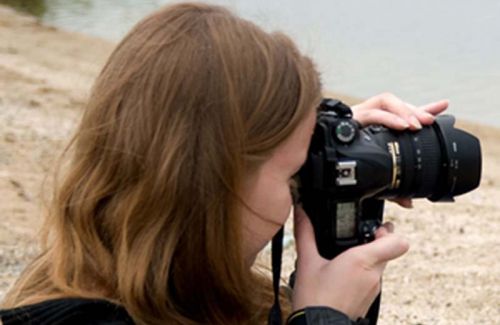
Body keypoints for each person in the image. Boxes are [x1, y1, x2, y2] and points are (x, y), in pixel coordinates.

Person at [0, 3, 448, 324]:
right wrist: (322, 317)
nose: (300, 190)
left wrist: (342, 168)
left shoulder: (176, 290)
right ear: (213, 183)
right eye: (293, 174)